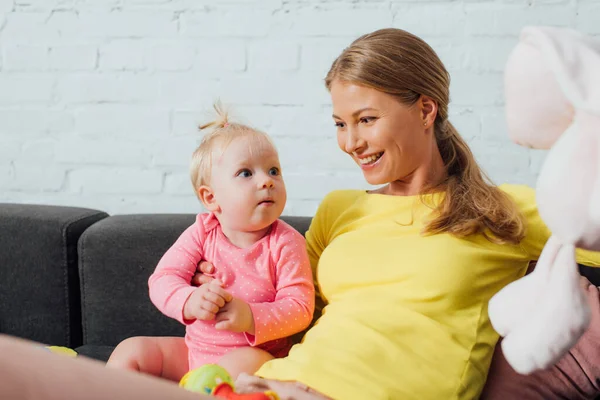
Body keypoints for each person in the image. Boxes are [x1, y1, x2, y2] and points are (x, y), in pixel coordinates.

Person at [1, 27, 599, 400]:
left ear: (425, 109)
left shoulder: (509, 212)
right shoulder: (340, 211)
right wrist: (213, 288)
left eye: (366, 119)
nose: (351, 142)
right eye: (339, 124)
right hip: (266, 382)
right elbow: (285, 305)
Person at [106, 105, 315, 380]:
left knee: (238, 365)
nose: (267, 181)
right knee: (130, 351)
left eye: (274, 170)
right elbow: (163, 279)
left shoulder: (286, 242)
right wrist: (189, 300)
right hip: (195, 354)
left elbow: (300, 308)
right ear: (211, 198)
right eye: (246, 173)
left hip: (258, 360)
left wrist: (251, 316)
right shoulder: (202, 232)